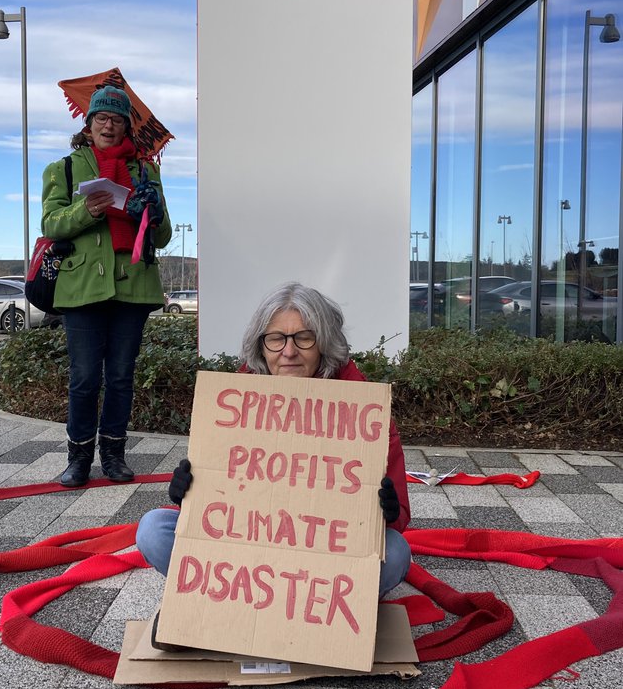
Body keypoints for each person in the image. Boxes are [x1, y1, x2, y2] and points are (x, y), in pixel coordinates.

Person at [137, 282, 412, 597]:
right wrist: (190, 491)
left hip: (325, 564)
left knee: (396, 552)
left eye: (304, 338)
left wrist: (386, 513)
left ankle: (315, 616)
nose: (289, 351)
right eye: (276, 339)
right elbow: (216, 496)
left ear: (323, 343)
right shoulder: (235, 404)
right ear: (261, 346)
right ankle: (220, 605)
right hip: (244, 555)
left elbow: (400, 512)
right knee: (153, 529)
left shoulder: (364, 412)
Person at [41, 84, 171, 487]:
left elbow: (163, 236)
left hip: (132, 287)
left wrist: (152, 208)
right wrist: (89, 208)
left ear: (126, 126)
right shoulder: (63, 168)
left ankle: (114, 454)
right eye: (102, 118)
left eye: (117, 119)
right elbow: (51, 224)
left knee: (120, 377)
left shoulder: (147, 170)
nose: (109, 126)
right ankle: (78, 457)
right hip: (81, 288)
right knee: (83, 378)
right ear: (88, 122)